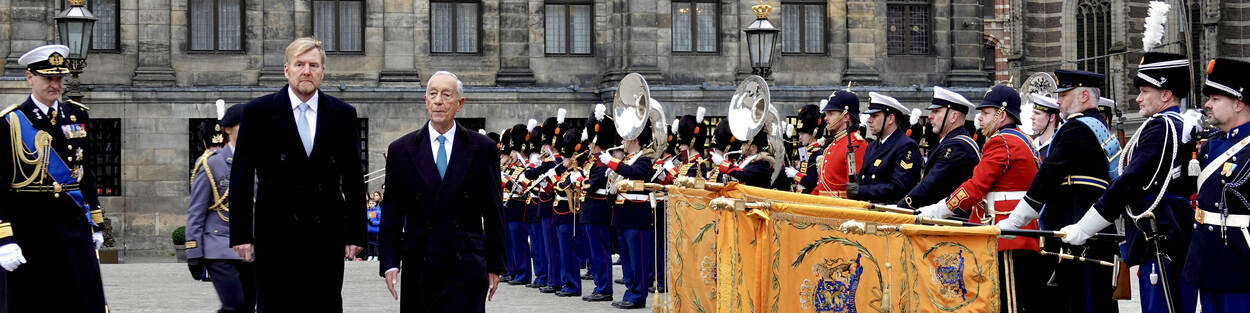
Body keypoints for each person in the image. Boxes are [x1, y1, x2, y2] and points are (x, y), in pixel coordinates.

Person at [228, 38, 366, 311]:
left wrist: (356, 234)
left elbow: (352, 177)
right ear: (286, 70)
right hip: (275, 233)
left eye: (313, 65)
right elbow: (241, 176)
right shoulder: (258, 112)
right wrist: (241, 233)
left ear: (323, 72)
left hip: (325, 233)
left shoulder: (343, 114)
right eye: (299, 64)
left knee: (324, 305)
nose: (306, 71)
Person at [1057, 52, 1199, 313]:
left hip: (1161, 242)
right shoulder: (1174, 126)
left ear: (1165, 94)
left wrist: (1085, 227)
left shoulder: (1161, 127)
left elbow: (1128, 183)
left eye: (1145, 91)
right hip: (1171, 240)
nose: (1138, 98)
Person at [378, 71, 506, 311]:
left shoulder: (482, 149)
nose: (438, 100)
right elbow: (392, 213)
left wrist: (495, 265)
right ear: (425, 100)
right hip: (420, 263)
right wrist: (389, 262)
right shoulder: (402, 150)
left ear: (460, 104)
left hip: (467, 263)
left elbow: (493, 210)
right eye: (433, 94)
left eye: (447, 94)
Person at [998, 69, 1119, 313]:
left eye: (1064, 94)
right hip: (1095, 234)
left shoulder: (1077, 129)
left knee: (1080, 303)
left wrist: (1012, 223)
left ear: (1083, 95)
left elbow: (1046, 179)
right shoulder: (1099, 127)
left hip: (1078, 236)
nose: (1059, 101)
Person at [917, 85, 1046, 312]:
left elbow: (975, 187)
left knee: (1008, 303)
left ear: (1002, 115)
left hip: (1007, 235)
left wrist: (936, 211)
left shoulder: (1001, 141)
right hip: (1020, 232)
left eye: (986, 113)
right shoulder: (1022, 140)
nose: (980, 118)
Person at [0, 44, 108, 313]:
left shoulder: (77, 115)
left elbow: (87, 175)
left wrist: (96, 222)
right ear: (29, 77)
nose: (55, 84)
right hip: (30, 231)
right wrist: (4, 239)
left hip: (73, 228)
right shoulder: (11, 122)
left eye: (59, 78)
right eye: (48, 78)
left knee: (81, 298)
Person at [1183, 57, 1250, 312]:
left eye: (1215, 99)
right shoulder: (1211, 146)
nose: (1207, 105)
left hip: (1239, 268)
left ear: (1238, 103)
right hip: (1207, 264)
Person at [186, 103, 256, 313]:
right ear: (228, 129)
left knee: (249, 306)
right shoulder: (211, 164)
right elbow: (196, 212)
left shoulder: (260, 161)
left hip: (252, 249)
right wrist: (194, 251)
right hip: (220, 247)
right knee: (233, 305)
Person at [598, 115, 661, 309]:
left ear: (634, 140)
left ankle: (637, 296)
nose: (623, 142)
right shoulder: (628, 159)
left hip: (636, 216)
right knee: (626, 259)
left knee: (637, 259)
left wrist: (613, 164)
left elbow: (636, 174)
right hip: (623, 216)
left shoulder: (644, 159)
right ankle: (630, 291)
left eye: (625, 139)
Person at [897, 86, 980, 210]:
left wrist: (901, 208)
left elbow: (931, 185)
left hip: (949, 223)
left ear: (953, 117)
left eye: (936, 111)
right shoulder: (951, 142)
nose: (930, 116)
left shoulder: (957, 146)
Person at [849, 92, 924, 203]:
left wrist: (860, 190)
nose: (869, 120)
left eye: (874, 116)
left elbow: (899, 188)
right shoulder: (872, 146)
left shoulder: (906, 146)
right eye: (870, 116)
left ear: (890, 118)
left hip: (890, 213)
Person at [812, 90, 868, 197]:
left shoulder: (856, 144)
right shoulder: (833, 143)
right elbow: (821, 186)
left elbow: (853, 191)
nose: (826, 118)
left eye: (831, 113)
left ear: (846, 116)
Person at [501, 123, 533, 286]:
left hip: (518, 208)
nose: (511, 154)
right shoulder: (511, 168)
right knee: (510, 243)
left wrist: (504, 180)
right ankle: (511, 270)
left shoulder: (524, 167)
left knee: (519, 244)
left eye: (514, 151)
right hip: (508, 209)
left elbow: (520, 189)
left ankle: (523, 273)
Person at [789, 104, 825, 193]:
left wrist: (795, 175)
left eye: (803, 134)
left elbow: (812, 183)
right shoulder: (806, 150)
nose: (800, 137)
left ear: (813, 133)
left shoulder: (817, 153)